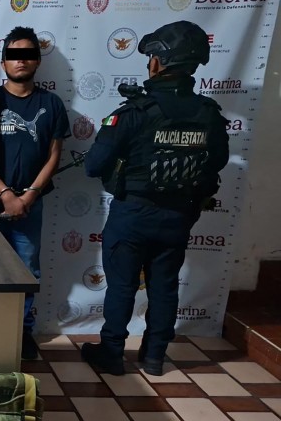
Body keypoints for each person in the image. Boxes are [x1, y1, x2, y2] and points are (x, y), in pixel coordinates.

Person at [82, 20, 229, 376]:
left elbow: (94, 165)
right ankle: (154, 357)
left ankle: (112, 354)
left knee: (122, 287)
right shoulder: (208, 113)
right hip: (178, 217)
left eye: (151, 56)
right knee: (164, 287)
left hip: (133, 215)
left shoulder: (134, 112)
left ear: (159, 61)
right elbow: (218, 162)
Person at [0, 26, 69, 360]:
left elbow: (54, 156)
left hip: (31, 206)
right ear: (3, 62)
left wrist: (28, 196)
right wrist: (4, 193)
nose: (21, 61)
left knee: (27, 270)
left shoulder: (51, 103)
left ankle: (21, 333)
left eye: (28, 55)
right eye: (14, 55)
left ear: (37, 61)